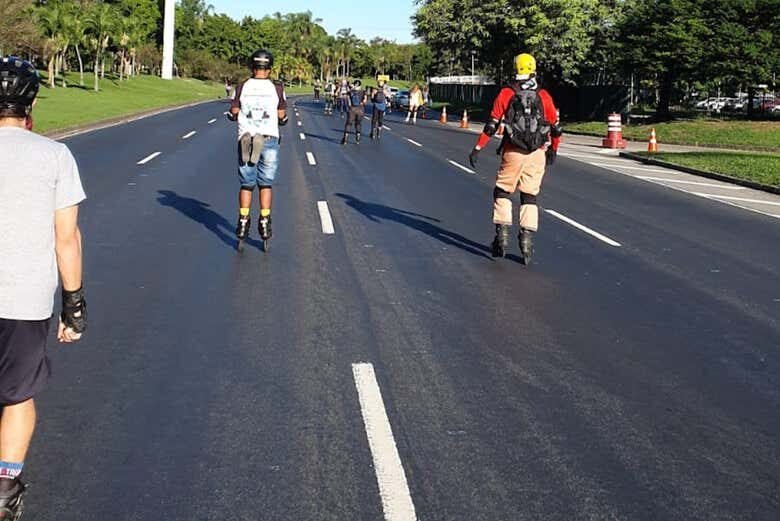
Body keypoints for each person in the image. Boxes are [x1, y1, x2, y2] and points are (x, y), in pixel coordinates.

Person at [0, 56, 87, 518]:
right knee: (17, 396)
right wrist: (74, 304)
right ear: (29, 108)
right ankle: (5, 486)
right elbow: (66, 237)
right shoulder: (54, 156)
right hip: (24, 301)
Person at [467, 53, 561, 264]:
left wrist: (477, 148)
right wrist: (553, 150)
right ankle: (526, 240)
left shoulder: (507, 93)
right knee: (529, 195)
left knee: (502, 190)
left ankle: (502, 233)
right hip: (536, 153)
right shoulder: (544, 96)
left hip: (512, 151)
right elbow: (556, 128)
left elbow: (491, 125)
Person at [228, 49, 288, 249]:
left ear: (251, 67)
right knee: (265, 184)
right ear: (269, 69)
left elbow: (234, 110)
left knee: (246, 184)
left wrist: (234, 114)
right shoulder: (277, 88)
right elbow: (281, 113)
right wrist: (282, 119)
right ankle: (265, 220)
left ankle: (243, 220)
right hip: (269, 137)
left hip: (247, 135)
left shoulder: (242, 86)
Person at [340, 79, 366, 145]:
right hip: (360, 109)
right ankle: (358, 138)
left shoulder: (351, 91)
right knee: (358, 123)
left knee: (348, 124)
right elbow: (365, 101)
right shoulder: (363, 91)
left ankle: (345, 138)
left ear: (354, 84)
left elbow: (347, 99)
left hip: (352, 109)